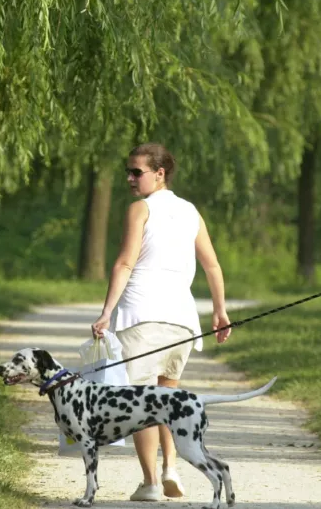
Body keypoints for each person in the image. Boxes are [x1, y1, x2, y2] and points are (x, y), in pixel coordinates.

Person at [90, 142, 232, 502]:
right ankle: (172, 466)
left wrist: (107, 312)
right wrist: (219, 310)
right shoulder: (190, 211)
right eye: (129, 171)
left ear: (160, 173)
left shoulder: (140, 209)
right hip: (182, 322)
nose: (129, 178)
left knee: (140, 402)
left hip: (141, 317)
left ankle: (152, 481)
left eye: (136, 172)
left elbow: (124, 263)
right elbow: (212, 265)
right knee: (167, 399)